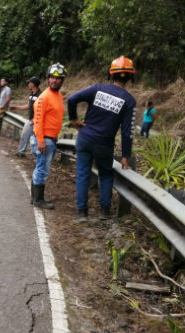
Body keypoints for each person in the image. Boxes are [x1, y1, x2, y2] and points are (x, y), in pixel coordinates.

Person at [68, 56, 137, 222]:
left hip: (85, 138)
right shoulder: (129, 101)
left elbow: (71, 99)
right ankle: (104, 212)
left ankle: (82, 213)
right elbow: (127, 132)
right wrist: (125, 156)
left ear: (111, 74)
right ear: (130, 76)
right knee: (105, 175)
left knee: (83, 174)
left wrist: (74, 120)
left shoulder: (97, 89)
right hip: (104, 144)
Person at [30, 64, 66, 209]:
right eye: (52, 77)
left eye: (58, 78)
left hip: (50, 139)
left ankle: (34, 198)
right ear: (48, 78)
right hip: (44, 139)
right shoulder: (44, 97)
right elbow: (37, 120)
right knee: (42, 170)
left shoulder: (58, 96)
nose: (54, 80)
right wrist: (41, 141)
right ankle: (38, 200)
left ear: (62, 80)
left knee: (40, 168)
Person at [10, 76, 42, 157]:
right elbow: (28, 106)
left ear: (33, 84)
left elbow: (42, 109)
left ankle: (38, 157)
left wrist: (35, 119)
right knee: (24, 134)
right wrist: (16, 107)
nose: (28, 84)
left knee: (36, 141)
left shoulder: (40, 95)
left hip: (38, 121)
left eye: (29, 83)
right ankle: (21, 152)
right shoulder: (31, 94)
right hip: (30, 120)